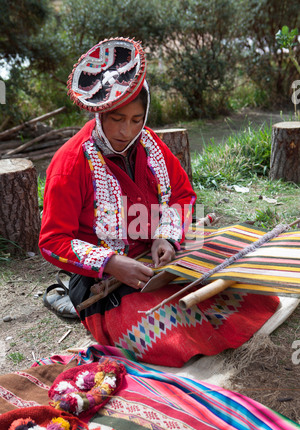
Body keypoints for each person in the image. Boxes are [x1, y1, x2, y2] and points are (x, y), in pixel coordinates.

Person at [39, 38, 280, 367]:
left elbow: (183, 195)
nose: (126, 131)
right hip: (104, 278)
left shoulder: (151, 146)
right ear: (98, 114)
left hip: (161, 256)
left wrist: (165, 235)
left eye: (137, 119)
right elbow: (53, 242)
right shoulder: (69, 165)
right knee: (165, 335)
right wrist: (112, 262)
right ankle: (74, 298)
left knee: (254, 296)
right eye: (116, 118)